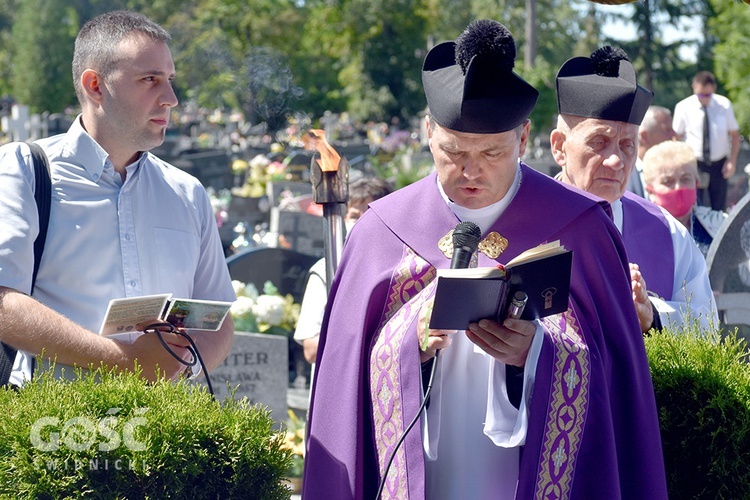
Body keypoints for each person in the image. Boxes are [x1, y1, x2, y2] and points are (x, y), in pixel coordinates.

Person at [303, 20, 667, 499]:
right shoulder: (380, 229)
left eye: (492, 152)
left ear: (523, 138)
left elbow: (620, 382)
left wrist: (536, 353)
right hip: (422, 473)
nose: (471, 170)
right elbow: (342, 381)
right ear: (429, 132)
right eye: (453, 151)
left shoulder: (581, 227)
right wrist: (406, 343)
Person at [0, 10, 235, 387]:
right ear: (95, 86)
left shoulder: (187, 192)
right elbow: (2, 302)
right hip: (52, 430)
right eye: (150, 80)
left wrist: (173, 372)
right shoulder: (24, 170)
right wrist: (125, 363)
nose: (171, 99)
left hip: (163, 430)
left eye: (170, 80)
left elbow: (217, 321)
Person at [552, 46, 717, 333]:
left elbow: (708, 324)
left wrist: (651, 316)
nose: (617, 161)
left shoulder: (667, 232)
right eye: (599, 142)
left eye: (627, 145)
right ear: (559, 147)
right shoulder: (521, 220)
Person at [294, 175, 393, 366]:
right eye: (355, 216)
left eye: (370, 216)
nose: (361, 224)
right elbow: (312, 349)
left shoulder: (404, 268)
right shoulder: (325, 270)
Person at [642, 140, 727, 257]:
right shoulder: (642, 235)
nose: (679, 187)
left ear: (696, 183)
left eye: (685, 179)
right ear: (650, 191)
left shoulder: (720, 224)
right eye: (668, 181)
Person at [672, 71, 740, 211]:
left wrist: (732, 161)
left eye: (707, 95)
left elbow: (734, 135)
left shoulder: (724, 105)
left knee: (718, 208)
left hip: (719, 164)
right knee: (695, 207)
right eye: (700, 94)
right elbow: (675, 138)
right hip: (695, 164)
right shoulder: (684, 107)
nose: (704, 98)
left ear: (713, 89)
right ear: (694, 88)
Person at [625, 105, 677, 197]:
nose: (674, 135)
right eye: (667, 130)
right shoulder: (623, 173)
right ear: (644, 137)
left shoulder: (677, 170)